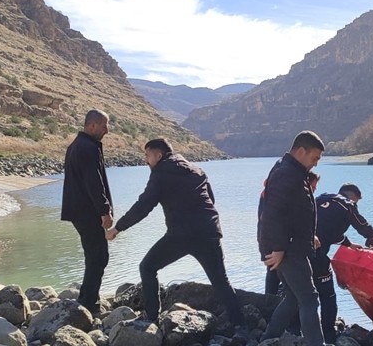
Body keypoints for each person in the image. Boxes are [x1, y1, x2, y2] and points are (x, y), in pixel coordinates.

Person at [105, 139, 245, 332]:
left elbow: (143, 206)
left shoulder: (160, 174)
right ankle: (239, 324)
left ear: (158, 155)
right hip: (208, 231)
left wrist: (117, 228)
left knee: (147, 267)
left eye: (147, 155)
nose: (145, 160)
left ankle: (151, 317)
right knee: (221, 280)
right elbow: (210, 200)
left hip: (180, 235)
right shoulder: (197, 170)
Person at [258, 131, 348, 346]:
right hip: (288, 250)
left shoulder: (290, 171)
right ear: (301, 151)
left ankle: (267, 340)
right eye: (315, 157)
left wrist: (310, 236)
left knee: (293, 298)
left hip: (291, 246)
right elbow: (272, 214)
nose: (317, 162)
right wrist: (277, 249)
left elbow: (294, 213)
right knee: (310, 299)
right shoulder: (287, 174)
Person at [60, 109, 114, 316]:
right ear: (92, 125)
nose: (106, 130)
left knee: (95, 255)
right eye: (104, 126)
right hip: (87, 211)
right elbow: (94, 182)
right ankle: (89, 303)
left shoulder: (76, 145)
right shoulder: (88, 147)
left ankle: (89, 298)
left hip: (79, 210)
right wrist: (104, 211)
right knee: (98, 256)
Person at [313, 183, 373, 343]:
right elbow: (361, 225)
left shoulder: (319, 200)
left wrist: (348, 244)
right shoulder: (346, 204)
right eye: (356, 202)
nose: (355, 205)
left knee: (300, 293)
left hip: (296, 253)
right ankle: (328, 334)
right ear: (351, 196)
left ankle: (294, 328)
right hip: (317, 255)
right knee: (328, 295)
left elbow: (329, 231)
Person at [265, 170, 319, 298]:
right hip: (283, 248)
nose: (314, 191)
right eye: (313, 187)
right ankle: (270, 306)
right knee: (303, 296)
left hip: (278, 245)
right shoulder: (292, 198)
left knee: (278, 281)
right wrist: (278, 248)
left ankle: (270, 305)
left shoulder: (282, 194)